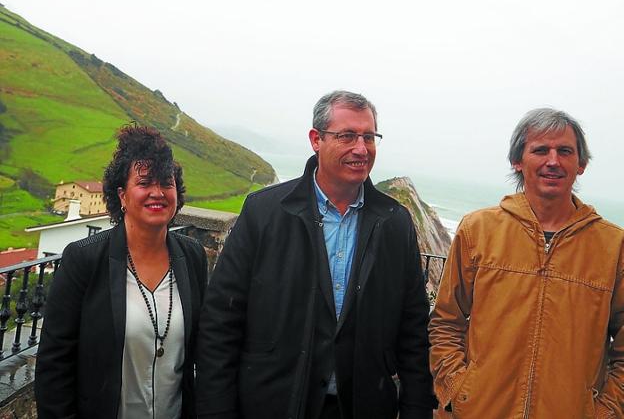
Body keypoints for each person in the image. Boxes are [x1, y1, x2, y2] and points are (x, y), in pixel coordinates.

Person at [195, 90, 435, 419]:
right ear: (316, 139)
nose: (361, 149)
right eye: (347, 136)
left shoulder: (395, 223)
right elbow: (221, 322)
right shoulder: (264, 213)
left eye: (369, 137)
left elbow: (414, 334)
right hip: (274, 405)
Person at [429, 108, 624, 418]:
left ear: (581, 164)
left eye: (565, 151)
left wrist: (606, 411)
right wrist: (457, 390)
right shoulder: (477, 229)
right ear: (517, 161)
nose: (553, 161)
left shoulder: (613, 246)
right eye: (540, 150)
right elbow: (445, 322)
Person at [35, 124, 208, 418]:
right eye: (144, 182)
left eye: (166, 183)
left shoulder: (192, 257)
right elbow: (54, 364)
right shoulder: (84, 260)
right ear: (123, 195)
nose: (158, 192)